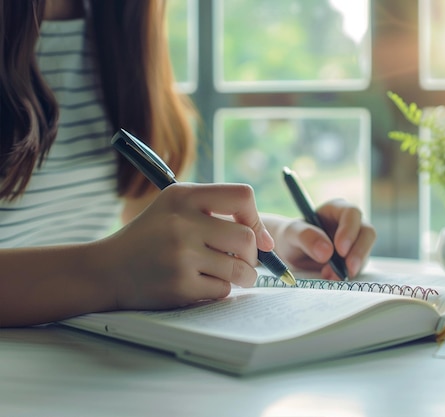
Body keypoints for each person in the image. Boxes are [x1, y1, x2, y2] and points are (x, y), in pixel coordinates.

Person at [0, 0, 376, 327]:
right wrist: (108, 272)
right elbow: (116, 259)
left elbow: (141, 209)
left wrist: (272, 237)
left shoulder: (115, 15)